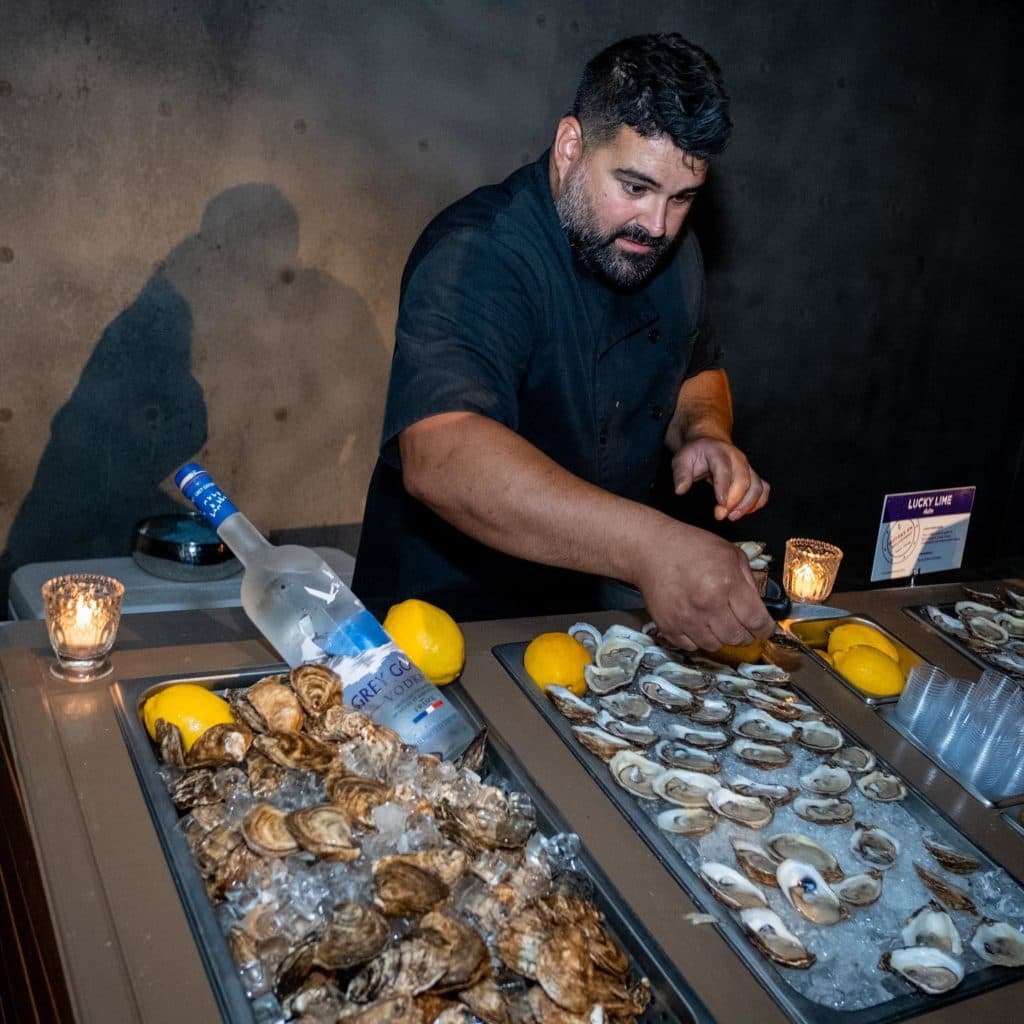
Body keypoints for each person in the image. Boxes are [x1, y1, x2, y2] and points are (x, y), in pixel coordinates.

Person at [354, 33, 773, 652]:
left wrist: (703, 433)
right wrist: (650, 546)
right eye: (634, 187)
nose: (657, 225)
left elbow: (695, 367)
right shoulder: (481, 251)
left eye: (681, 198)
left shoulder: (672, 250)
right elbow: (442, 454)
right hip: (443, 625)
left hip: (582, 616)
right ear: (571, 145)